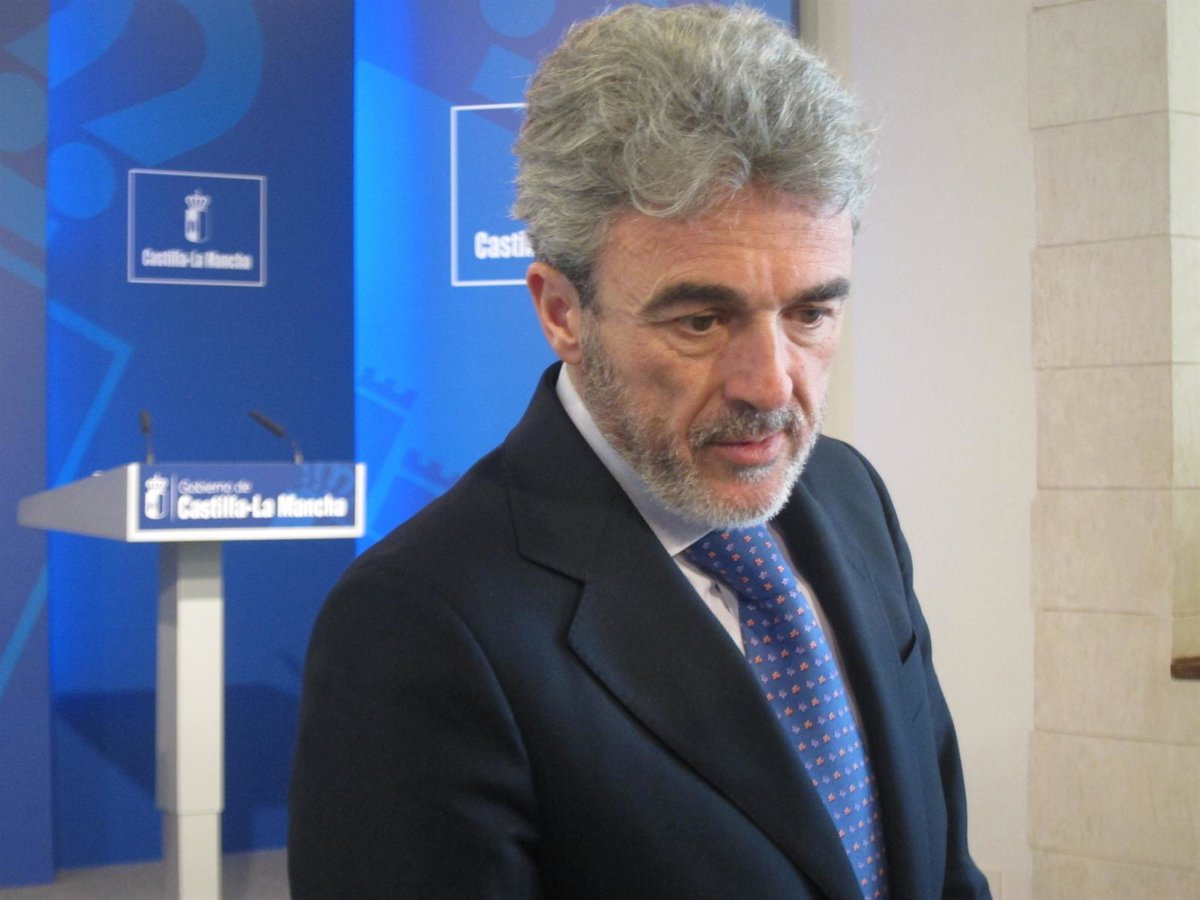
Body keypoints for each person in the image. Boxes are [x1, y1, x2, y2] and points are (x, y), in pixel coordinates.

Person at [288, 5, 991, 898]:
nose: (771, 385)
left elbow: (940, 866)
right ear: (561, 312)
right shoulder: (419, 627)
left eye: (811, 313)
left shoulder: (851, 496)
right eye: (701, 321)